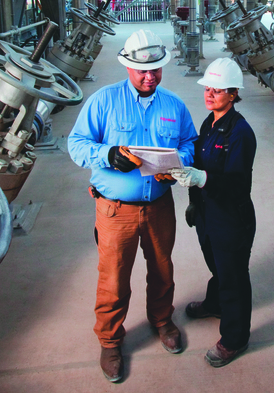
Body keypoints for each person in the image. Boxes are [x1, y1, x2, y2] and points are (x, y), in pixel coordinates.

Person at [68, 29, 197, 383]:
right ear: (127, 66)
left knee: (162, 268)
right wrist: (107, 154)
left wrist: (178, 164)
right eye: (142, 71)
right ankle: (110, 341)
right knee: (114, 277)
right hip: (115, 211)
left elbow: (190, 143)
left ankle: (162, 320)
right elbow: (76, 143)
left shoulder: (173, 105)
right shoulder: (104, 101)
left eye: (155, 69)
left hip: (159, 206)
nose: (149, 76)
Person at [171, 57, 257, 368]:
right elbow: (196, 163)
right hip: (207, 213)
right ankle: (215, 303)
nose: (209, 94)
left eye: (217, 90)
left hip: (231, 218)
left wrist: (202, 179)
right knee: (217, 265)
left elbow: (237, 185)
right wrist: (194, 200)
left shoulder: (240, 133)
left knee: (233, 276)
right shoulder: (209, 123)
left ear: (233, 94)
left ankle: (235, 338)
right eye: (207, 88)